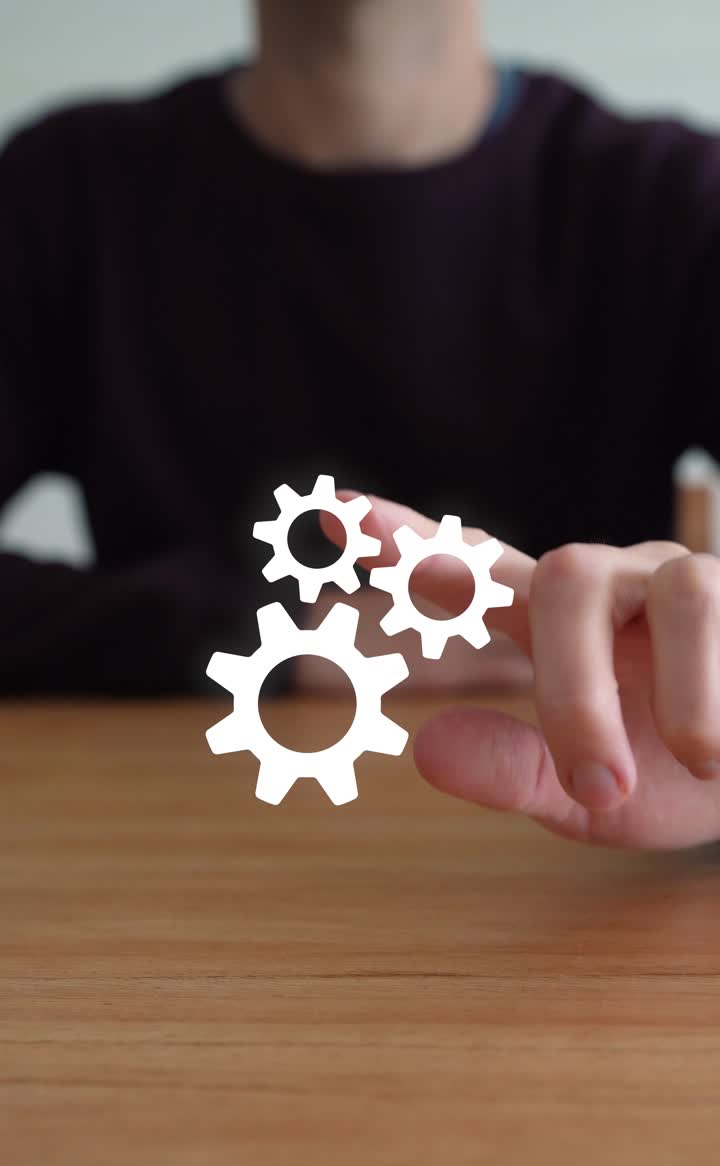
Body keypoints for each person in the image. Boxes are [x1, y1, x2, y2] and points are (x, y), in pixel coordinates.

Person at [1, 0, 719, 849]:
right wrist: (278, 630)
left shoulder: (673, 199)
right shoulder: (61, 192)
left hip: (576, 864)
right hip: (161, 850)